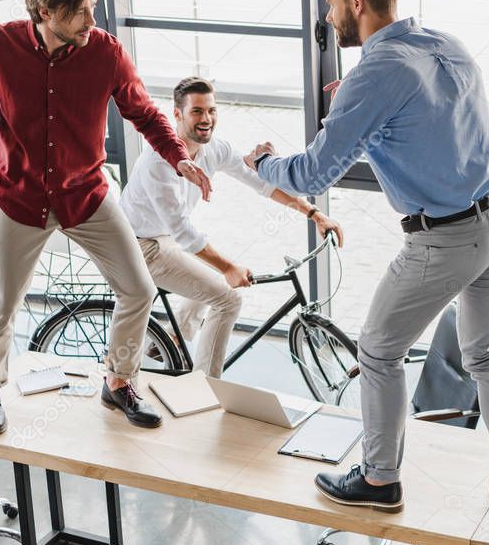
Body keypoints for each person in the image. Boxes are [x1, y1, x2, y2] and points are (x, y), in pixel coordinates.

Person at [244, 0, 489, 532]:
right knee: (485, 356)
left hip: (444, 240)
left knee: (378, 350)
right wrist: (355, 110)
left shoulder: (374, 75)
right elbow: (432, 130)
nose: (329, 18)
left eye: (332, 5)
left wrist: (264, 163)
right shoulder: (443, 43)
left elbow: (310, 175)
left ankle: (379, 479)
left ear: (356, 3)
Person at [0, 0, 212, 434]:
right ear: (47, 11)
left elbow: (146, 113)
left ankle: (119, 382)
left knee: (138, 289)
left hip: (86, 194)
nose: (93, 21)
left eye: (92, 8)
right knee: (4, 301)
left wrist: (179, 156)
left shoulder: (106, 53)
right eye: (82, 12)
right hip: (20, 197)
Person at [120, 76, 344, 377]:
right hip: (140, 247)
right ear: (177, 115)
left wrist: (314, 213)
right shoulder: (158, 163)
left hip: (164, 240)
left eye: (212, 111)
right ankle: (206, 387)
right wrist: (229, 268)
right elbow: (184, 233)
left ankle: (169, 345)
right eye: (197, 111)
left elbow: (261, 184)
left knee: (213, 274)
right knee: (228, 299)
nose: (207, 119)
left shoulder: (214, 149)